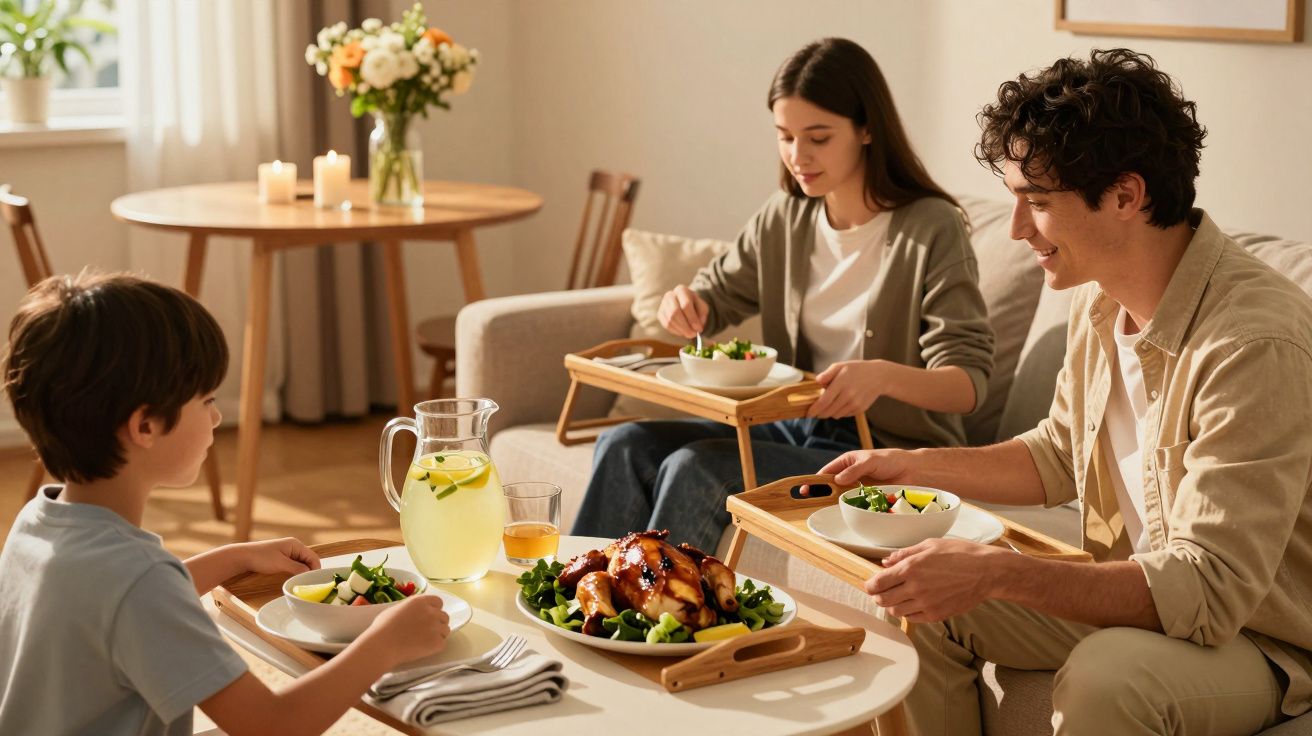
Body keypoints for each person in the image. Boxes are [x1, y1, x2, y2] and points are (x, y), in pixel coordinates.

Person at [819, 48, 1312, 734]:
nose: (1017, 229)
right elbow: (1059, 452)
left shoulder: (1253, 343)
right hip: (1146, 589)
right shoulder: (1100, 299)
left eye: (1037, 203)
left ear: (1127, 196)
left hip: (1258, 637)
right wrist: (912, 468)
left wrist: (996, 572)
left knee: (1106, 678)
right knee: (911, 594)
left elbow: (1208, 587)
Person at [571, 37, 994, 553]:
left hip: (882, 452)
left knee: (698, 467)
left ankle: (664, 621)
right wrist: (687, 302)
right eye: (785, 136)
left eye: (817, 137)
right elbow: (718, 293)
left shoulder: (933, 227)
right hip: (795, 428)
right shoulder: (786, 216)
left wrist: (880, 377)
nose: (798, 155)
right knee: (624, 444)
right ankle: (576, 604)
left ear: (866, 129)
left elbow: (968, 384)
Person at [0, 274, 450, 736]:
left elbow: (113, 605)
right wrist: (383, 645)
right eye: (207, 400)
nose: (216, 418)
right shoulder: (140, 582)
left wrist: (234, 558)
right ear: (146, 425)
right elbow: (273, 726)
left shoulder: (37, 525)